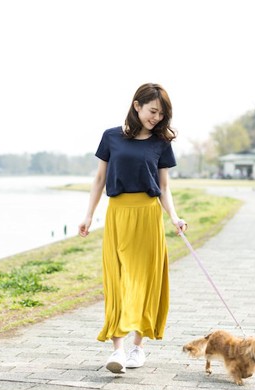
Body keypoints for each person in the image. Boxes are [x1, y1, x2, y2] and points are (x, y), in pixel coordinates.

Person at [78, 83, 188, 374]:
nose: (156, 117)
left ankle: (138, 347)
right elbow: (99, 179)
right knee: (119, 280)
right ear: (136, 105)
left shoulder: (161, 142)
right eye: (153, 111)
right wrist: (88, 215)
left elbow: (164, 187)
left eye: (161, 114)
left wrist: (175, 217)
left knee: (145, 281)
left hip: (149, 216)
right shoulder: (111, 137)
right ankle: (118, 351)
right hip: (118, 215)